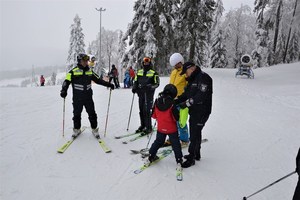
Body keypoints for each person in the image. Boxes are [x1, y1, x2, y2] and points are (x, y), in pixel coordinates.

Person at [60, 53, 115, 139]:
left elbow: (98, 80)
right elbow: (66, 81)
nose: (86, 62)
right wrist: (64, 90)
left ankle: (94, 129)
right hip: (77, 98)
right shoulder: (73, 71)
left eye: (87, 60)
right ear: (79, 61)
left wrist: (109, 84)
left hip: (88, 97)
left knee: (92, 113)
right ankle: (77, 129)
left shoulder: (90, 71)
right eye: (84, 60)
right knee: (77, 114)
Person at [175, 61, 213, 168]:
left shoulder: (204, 78)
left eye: (186, 72)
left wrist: (186, 103)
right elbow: (186, 94)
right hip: (194, 111)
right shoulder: (192, 80)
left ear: (191, 69)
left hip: (202, 110)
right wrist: (175, 101)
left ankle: (192, 157)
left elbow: (201, 95)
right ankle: (196, 154)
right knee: (195, 131)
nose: (186, 75)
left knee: (195, 133)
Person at [146, 84, 183, 167]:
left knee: (158, 142)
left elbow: (153, 115)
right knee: (175, 144)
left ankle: (151, 155)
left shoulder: (157, 101)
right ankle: (179, 159)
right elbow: (176, 118)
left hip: (161, 128)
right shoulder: (172, 103)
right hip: (172, 129)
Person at [132, 57, 160, 135]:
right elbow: (136, 81)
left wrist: (150, 86)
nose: (146, 64)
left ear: (150, 63)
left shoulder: (154, 72)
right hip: (140, 94)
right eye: (144, 63)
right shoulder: (139, 72)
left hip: (148, 94)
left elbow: (157, 83)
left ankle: (148, 127)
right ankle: (143, 125)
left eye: (147, 63)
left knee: (147, 110)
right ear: (143, 63)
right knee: (141, 109)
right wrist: (134, 87)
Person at [167, 53, 189, 146]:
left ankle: (184, 140)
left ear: (181, 62)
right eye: (174, 64)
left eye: (177, 64)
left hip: (181, 101)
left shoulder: (185, 72)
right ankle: (173, 138)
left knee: (181, 121)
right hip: (172, 100)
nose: (176, 66)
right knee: (172, 120)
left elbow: (189, 86)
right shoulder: (173, 72)